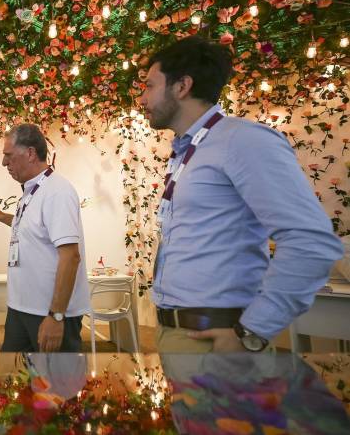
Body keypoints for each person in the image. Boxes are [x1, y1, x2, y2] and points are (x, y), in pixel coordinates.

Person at [140, 36, 343, 353]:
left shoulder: (241, 140)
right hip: (178, 333)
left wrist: (253, 330)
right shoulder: (188, 150)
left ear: (182, 86)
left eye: (149, 86)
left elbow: (311, 240)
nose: (142, 98)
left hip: (219, 339)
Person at [0, 124, 90, 352]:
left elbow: (70, 256)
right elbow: (32, 228)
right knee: (14, 373)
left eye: (8, 155)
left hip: (48, 313)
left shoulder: (57, 191)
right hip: (21, 308)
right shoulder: (31, 191)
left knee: (54, 374)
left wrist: (56, 315)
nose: (4, 163)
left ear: (30, 153)